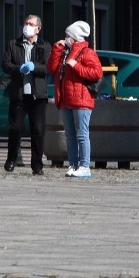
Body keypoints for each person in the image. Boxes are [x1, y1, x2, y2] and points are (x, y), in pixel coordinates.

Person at [48, 20, 103, 179]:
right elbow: (52, 69)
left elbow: (96, 73)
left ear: (74, 37)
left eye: (67, 35)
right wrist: (57, 49)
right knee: (70, 134)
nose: (65, 38)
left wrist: (76, 66)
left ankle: (85, 166)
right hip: (65, 99)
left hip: (81, 99)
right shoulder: (65, 51)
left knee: (82, 134)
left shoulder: (87, 52)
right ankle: (73, 164)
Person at [1, 14, 51, 175]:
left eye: (31, 24)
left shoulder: (44, 46)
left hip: (38, 95)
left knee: (38, 130)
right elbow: (6, 65)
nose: (27, 26)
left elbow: (48, 67)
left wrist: (34, 67)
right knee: (16, 129)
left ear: (38, 29)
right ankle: (11, 159)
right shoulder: (13, 44)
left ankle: (37, 165)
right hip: (19, 93)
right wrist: (18, 68)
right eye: (25, 23)